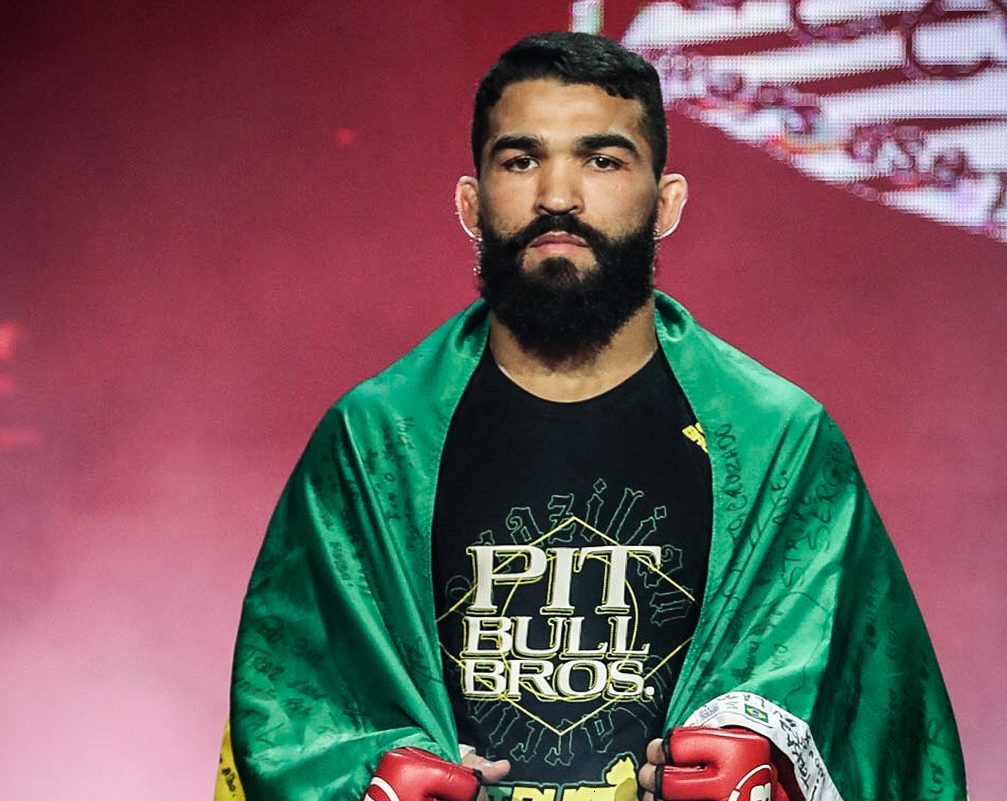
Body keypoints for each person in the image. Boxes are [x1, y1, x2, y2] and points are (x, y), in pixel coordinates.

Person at [216, 32, 967, 801]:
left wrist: (776, 771)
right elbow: (285, 714)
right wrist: (363, 786)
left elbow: (887, 728)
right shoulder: (373, 439)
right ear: (471, 203)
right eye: (521, 160)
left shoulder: (780, 442)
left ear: (666, 202)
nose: (558, 196)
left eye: (602, 160)